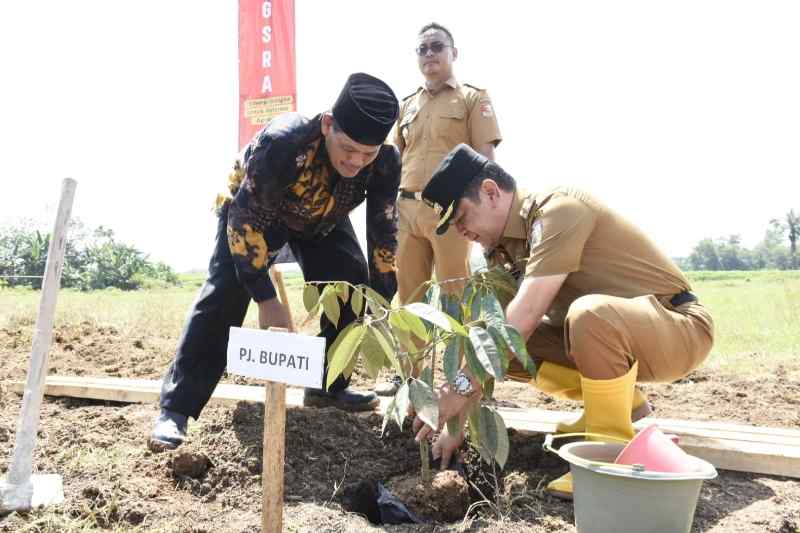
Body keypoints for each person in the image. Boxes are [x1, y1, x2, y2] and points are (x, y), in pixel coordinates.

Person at [414, 144, 715, 499]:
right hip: (607, 340)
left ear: (490, 192)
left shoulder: (559, 210)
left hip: (678, 328)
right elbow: (495, 338)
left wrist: (458, 389)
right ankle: (620, 406)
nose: (461, 231)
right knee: (486, 338)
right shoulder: (502, 251)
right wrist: (455, 423)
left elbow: (525, 314)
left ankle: (606, 453)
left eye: (462, 217)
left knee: (589, 315)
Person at [149, 73, 401, 451]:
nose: (356, 161)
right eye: (348, 148)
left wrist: (382, 297)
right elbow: (244, 223)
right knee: (224, 296)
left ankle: (327, 386)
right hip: (255, 215)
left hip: (322, 220)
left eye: (368, 153)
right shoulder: (284, 142)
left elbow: (383, 230)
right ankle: (177, 408)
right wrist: (266, 299)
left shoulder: (385, 162)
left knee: (352, 285)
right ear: (328, 124)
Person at [375, 22, 502, 396]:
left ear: (453, 53)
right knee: (409, 297)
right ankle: (410, 377)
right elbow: (394, 159)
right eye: (423, 49)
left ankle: (459, 380)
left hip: (451, 214)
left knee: (454, 298)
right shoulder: (406, 105)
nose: (429, 54)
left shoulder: (472, 99)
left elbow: (487, 160)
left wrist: (485, 214)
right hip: (407, 211)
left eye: (437, 47)